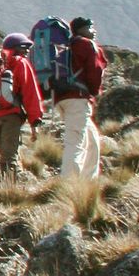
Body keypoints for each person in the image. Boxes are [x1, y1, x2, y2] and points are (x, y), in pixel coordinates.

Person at [0, 32, 46, 180]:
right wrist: (35, 120)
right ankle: (9, 186)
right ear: (17, 48)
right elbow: (30, 92)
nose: (27, 51)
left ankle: (4, 183)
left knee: (3, 152)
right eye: (25, 48)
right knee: (9, 155)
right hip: (11, 115)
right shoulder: (20, 63)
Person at [58, 16, 108, 178]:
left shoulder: (68, 46)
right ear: (80, 30)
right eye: (89, 28)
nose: (94, 31)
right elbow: (95, 71)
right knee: (75, 142)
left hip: (62, 97)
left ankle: (88, 181)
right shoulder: (86, 45)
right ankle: (69, 183)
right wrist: (94, 91)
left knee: (92, 140)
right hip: (77, 98)